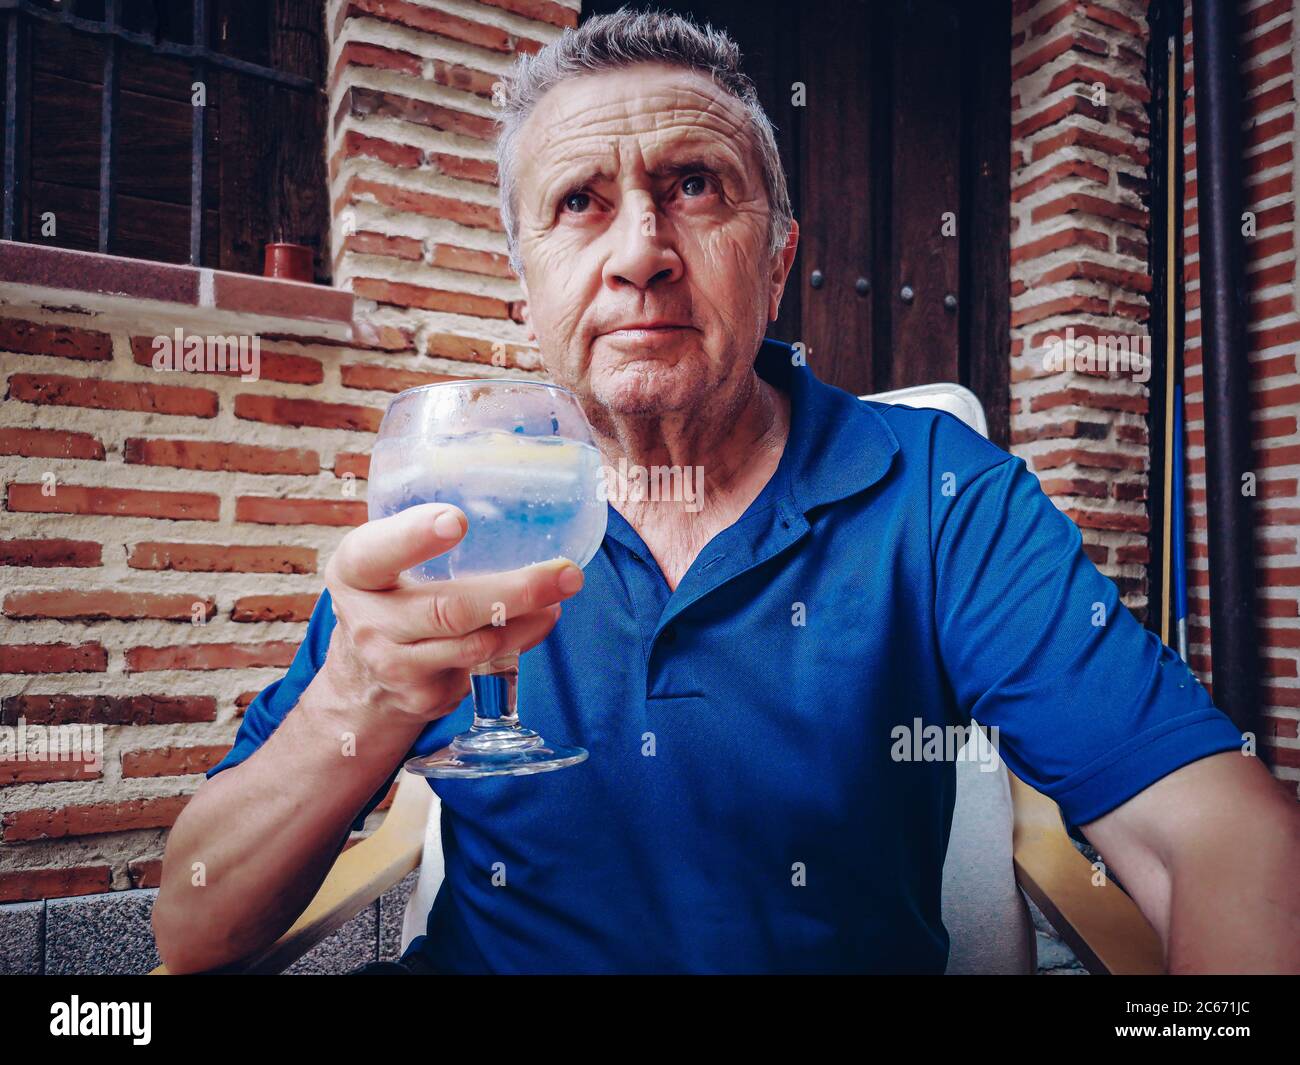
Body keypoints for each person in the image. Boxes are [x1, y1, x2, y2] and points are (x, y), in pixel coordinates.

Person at [153, 9, 1299, 975]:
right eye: (578, 204)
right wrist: (360, 700)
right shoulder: (453, 518)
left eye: (692, 186)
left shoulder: (944, 497)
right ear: (525, 292)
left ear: (781, 258)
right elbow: (195, 929)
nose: (641, 249)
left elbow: (1212, 836)